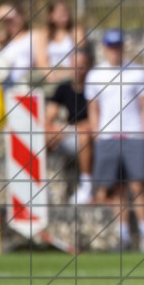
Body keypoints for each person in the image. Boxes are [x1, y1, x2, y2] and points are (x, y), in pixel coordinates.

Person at [85, 30, 144, 252]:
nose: (115, 51)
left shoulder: (137, 72)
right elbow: (93, 108)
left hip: (134, 135)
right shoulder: (95, 75)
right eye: (111, 47)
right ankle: (122, 235)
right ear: (105, 48)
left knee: (138, 186)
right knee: (116, 189)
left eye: (118, 47)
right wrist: (97, 133)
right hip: (108, 137)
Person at [46, 45, 94, 204]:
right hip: (69, 134)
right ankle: (41, 185)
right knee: (42, 135)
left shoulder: (94, 88)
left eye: (81, 66)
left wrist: (67, 128)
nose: (77, 70)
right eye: (74, 65)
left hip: (87, 137)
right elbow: (48, 118)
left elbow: (96, 123)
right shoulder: (63, 88)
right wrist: (56, 130)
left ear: (88, 66)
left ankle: (87, 186)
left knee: (84, 135)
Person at [42, 0, 87, 84]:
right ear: (51, 15)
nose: (64, 15)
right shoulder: (44, 34)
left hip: (71, 74)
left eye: (66, 11)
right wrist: (50, 74)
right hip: (51, 75)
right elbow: (42, 61)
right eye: (59, 12)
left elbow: (80, 58)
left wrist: (65, 74)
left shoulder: (76, 32)